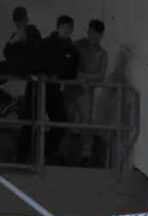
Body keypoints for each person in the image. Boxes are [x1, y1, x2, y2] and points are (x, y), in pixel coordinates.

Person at [67, 19, 106, 166]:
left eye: (98, 33)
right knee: (68, 118)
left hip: (86, 92)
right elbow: (68, 66)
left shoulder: (102, 54)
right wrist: (79, 77)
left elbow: (101, 76)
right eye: (93, 32)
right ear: (88, 31)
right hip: (71, 88)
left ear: (101, 35)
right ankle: (64, 153)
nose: (94, 36)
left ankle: (85, 154)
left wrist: (84, 78)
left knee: (86, 120)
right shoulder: (76, 46)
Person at [41, 15, 76, 162]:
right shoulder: (47, 44)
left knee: (60, 122)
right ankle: (32, 154)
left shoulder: (70, 47)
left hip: (54, 89)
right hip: (40, 88)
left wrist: (59, 75)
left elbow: (72, 69)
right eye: (65, 28)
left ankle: (47, 151)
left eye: (70, 28)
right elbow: (38, 62)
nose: (67, 31)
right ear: (58, 27)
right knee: (32, 122)